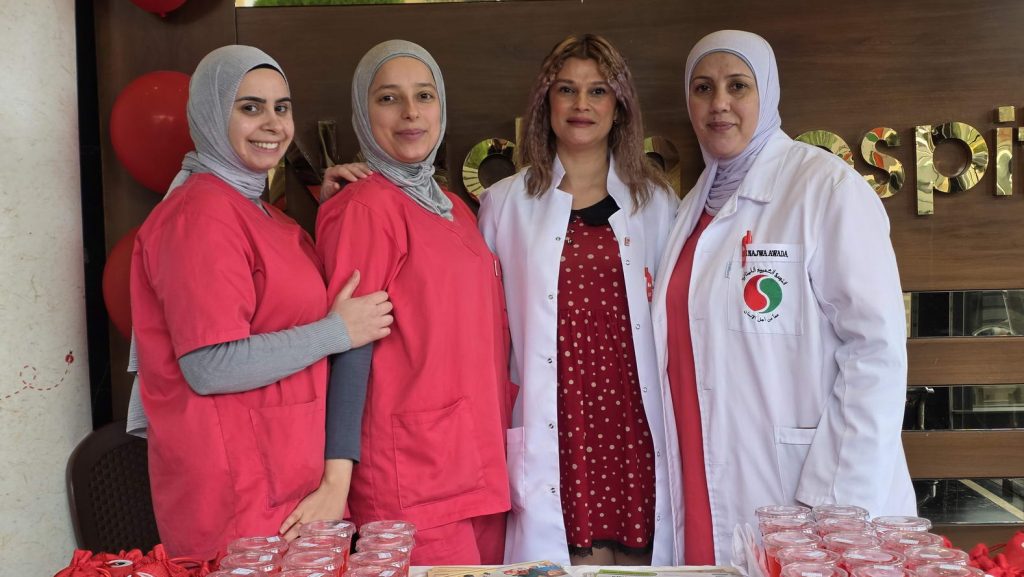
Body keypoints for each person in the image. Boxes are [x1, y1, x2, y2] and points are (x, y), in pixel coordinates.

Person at [650, 30, 916, 564]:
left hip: (809, 492)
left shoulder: (825, 189)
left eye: (737, 85)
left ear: (767, 93)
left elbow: (876, 351)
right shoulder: (689, 209)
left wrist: (839, 506)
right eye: (703, 88)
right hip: (702, 479)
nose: (719, 103)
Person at [129, 45, 392, 560]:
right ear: (210, 114)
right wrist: (338, 332)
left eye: (281, 107)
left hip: (286, 485)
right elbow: (211, 365)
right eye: (250, 107)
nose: (272, 123)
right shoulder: (199, 215)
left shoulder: (260, 212)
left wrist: (330, 211)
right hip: (235, 495)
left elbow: (281, 303)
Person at [478, 34, 682, 566]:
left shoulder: (657, 202)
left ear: (620, 106)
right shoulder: (504, 204)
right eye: (566, 89)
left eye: (598, 91)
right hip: (557, 412)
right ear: (546, 103)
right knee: (562, 560)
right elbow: (488, 329)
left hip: (631, 412)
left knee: (640, 558)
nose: (581, 105)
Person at [314, 39, 513, 565]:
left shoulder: (452, 207)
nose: (410, 112)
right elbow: (348, 347)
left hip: (478, 464)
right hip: (411, 480)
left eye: (424, 95)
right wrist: (336, 480)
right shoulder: (364, 208)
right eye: (388, 98)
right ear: (363, 113)